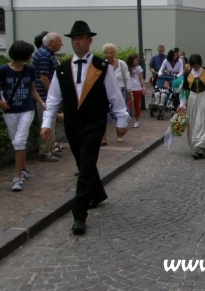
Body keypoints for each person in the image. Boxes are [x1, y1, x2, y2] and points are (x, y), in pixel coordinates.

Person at [41, 21, 129, 234]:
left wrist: (121, 121)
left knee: (86, 165)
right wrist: (46, 123)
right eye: (73, 39)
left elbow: (114, 95)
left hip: (94, 122)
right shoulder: (61, 69)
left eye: (80, 38)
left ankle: (79, 215)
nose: (76, 42)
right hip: (72, 123)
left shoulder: (101, 67)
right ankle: (98, 194)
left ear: (90, 41)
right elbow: (53, 99)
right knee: (84, 162)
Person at [0, 41, 46, 191]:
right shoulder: (3, 70)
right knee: (16, 142)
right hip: (10, 111)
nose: (31, 56)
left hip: (27, 109)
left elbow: (32, 90)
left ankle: (17, 177)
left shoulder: (30, 70)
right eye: (29, 54)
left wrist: (43, 104)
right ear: (23, 55)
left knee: (19, 141)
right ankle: (24, 169)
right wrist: (1, 103)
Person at [177, 54, 205, 159]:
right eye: (194, 65)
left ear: (200, 63)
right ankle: (197, 148)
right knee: (194, 123)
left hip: (204, 98)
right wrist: (182, 105)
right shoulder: (187, 74)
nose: (196, 67)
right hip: (193, 99)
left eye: (197, 65)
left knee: (202, 123)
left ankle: (199, 148)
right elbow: (185, 90)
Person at [32, 32, 63, 162]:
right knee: (47, 122)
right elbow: (44, 78)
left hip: (45, 95)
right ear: (51, 43)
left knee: (50, 122)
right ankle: (45, 152)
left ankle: (49, 149)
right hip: (45, 96)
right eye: (59, 41)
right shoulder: (45, 55)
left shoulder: (45, 53)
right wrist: (52, 94)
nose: (61, 43)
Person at [102, 43, 131, 144]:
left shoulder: (121, 64)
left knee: (119, 113)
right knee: (104, 114)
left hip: (120, 90)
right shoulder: (102, 65)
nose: (109, 55)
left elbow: (127, 77)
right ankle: (103, 137)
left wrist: (128, 91)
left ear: (114, 53)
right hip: (107, 92)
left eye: (111, 52)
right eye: (107, 53)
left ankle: (119, 135)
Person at [127, 53, 146, 127]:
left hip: (137, 87)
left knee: (137, 104)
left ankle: (137, 120)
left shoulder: (138, 68)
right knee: (128, 103)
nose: (137, 62)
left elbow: (141, 78)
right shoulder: (126, 68)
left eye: (138, 60)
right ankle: (126, 118)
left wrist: (143, 87)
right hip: (128, 87)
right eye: (136, 60)